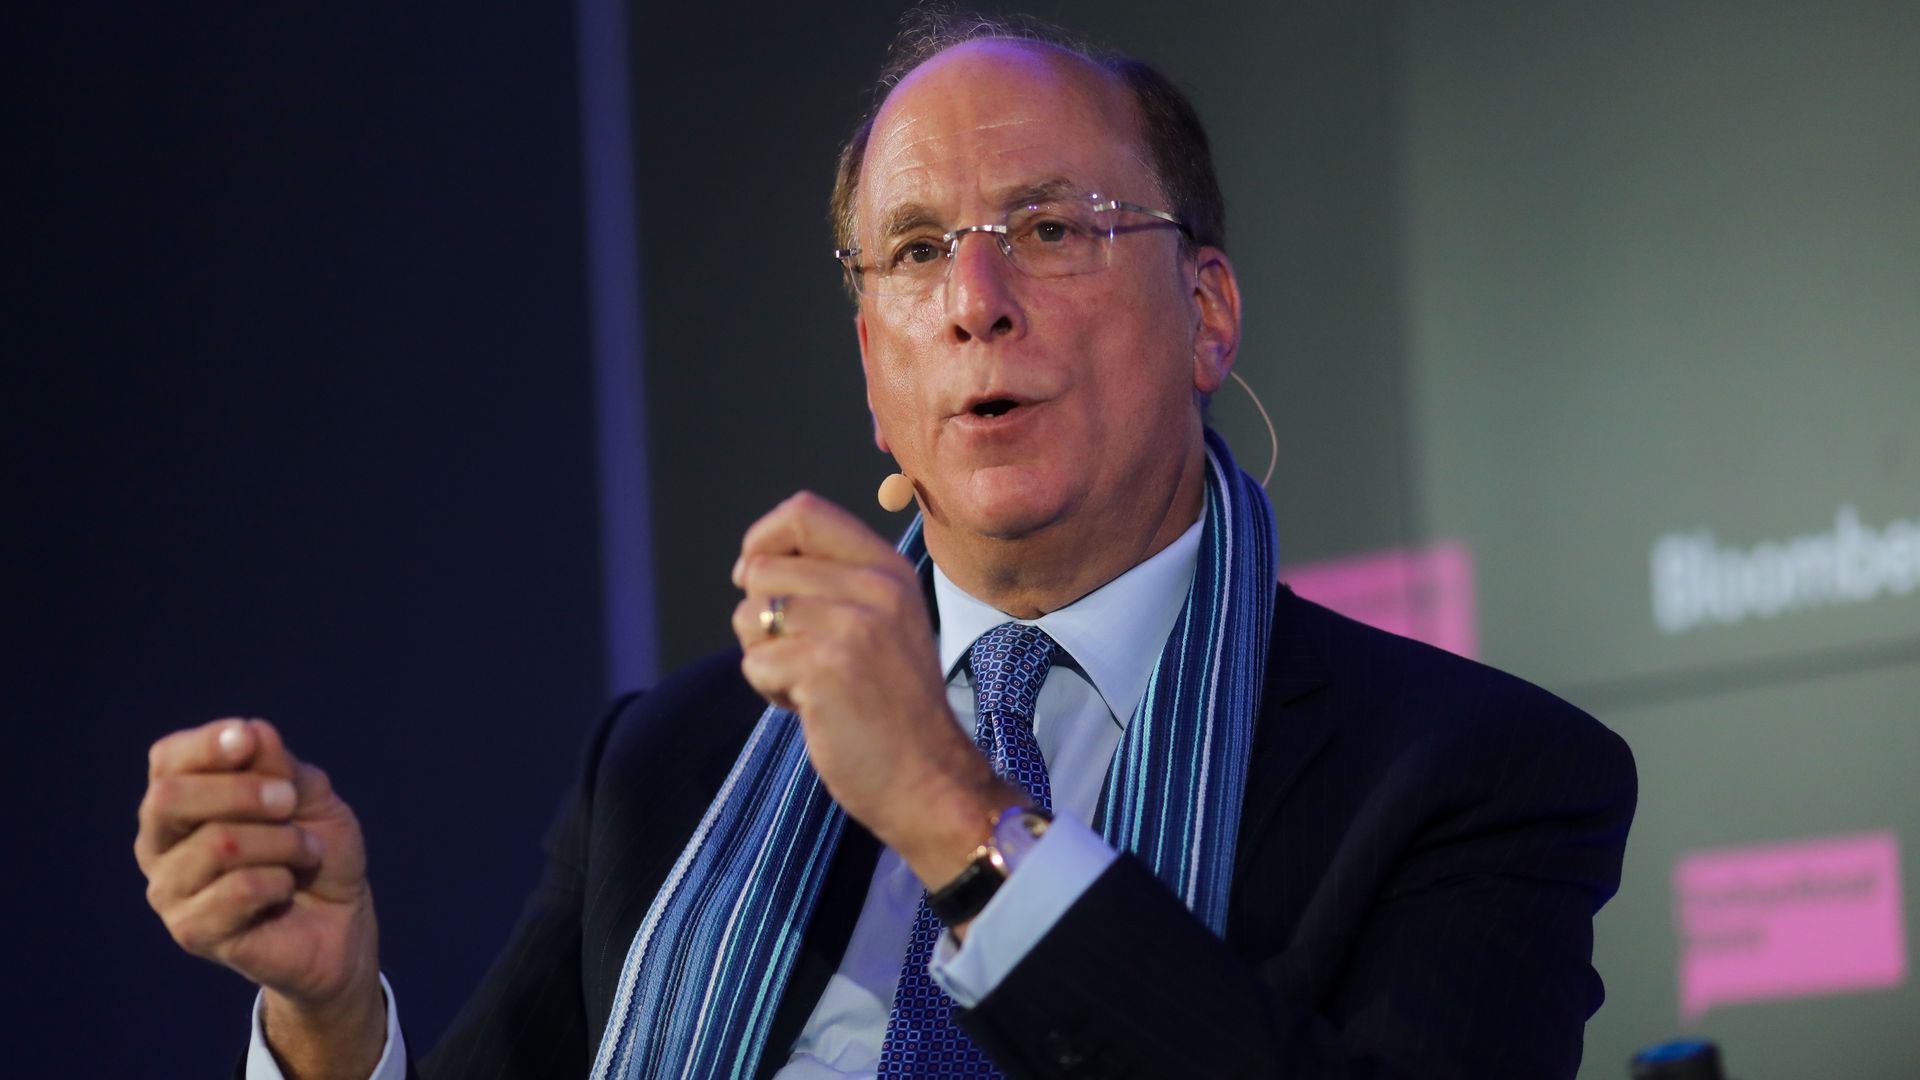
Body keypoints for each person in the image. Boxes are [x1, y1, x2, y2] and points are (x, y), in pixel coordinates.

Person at [134, 13, 1636, 1079]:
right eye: (917, 252)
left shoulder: (1471, 781)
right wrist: (330, 1024)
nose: (976, 296)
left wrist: (945, 802)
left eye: (1053, 227)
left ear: (1210, 314)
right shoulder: (675, 763)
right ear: (873, 364)